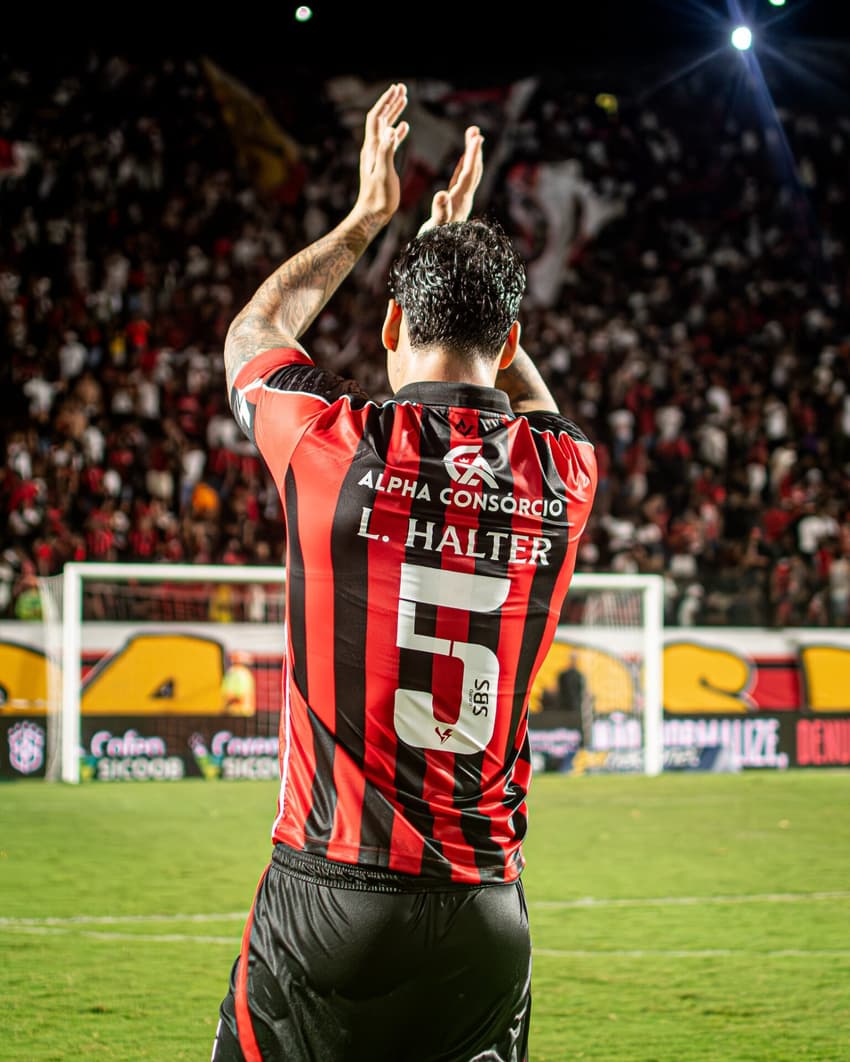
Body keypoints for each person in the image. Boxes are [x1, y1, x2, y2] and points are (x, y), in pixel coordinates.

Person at [211, 82, 597, 1062]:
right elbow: (537, 407)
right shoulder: (564, 475)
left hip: (331, 898)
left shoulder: (328, 446)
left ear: (389, 332)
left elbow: (250, 337)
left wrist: (369, 219)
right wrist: (462, 266)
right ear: (510, 343)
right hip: (485, 913)